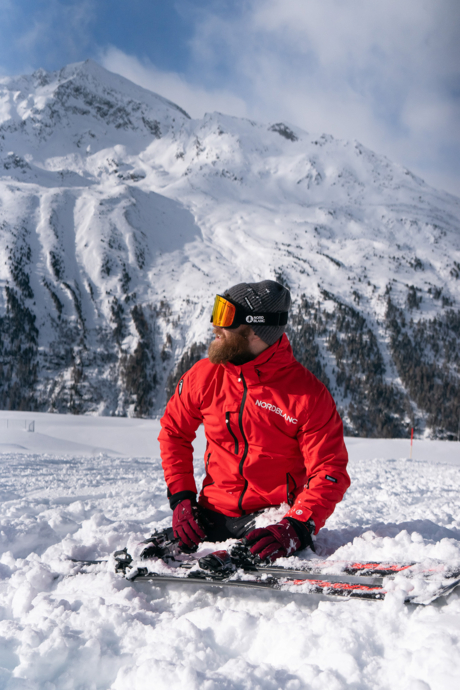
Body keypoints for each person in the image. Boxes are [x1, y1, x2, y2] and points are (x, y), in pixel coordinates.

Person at [158, 280, 350, 563]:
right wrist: (182, 498)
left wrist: (295, 526)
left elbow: (329, 469)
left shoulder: (307, 394)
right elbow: (174, 432)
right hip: (212, 512)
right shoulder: (205, 376)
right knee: (152, 554)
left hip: (271, 518)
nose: (216, 327)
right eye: (217, 312)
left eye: (225, 318)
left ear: (256, 330)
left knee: (243, 557)